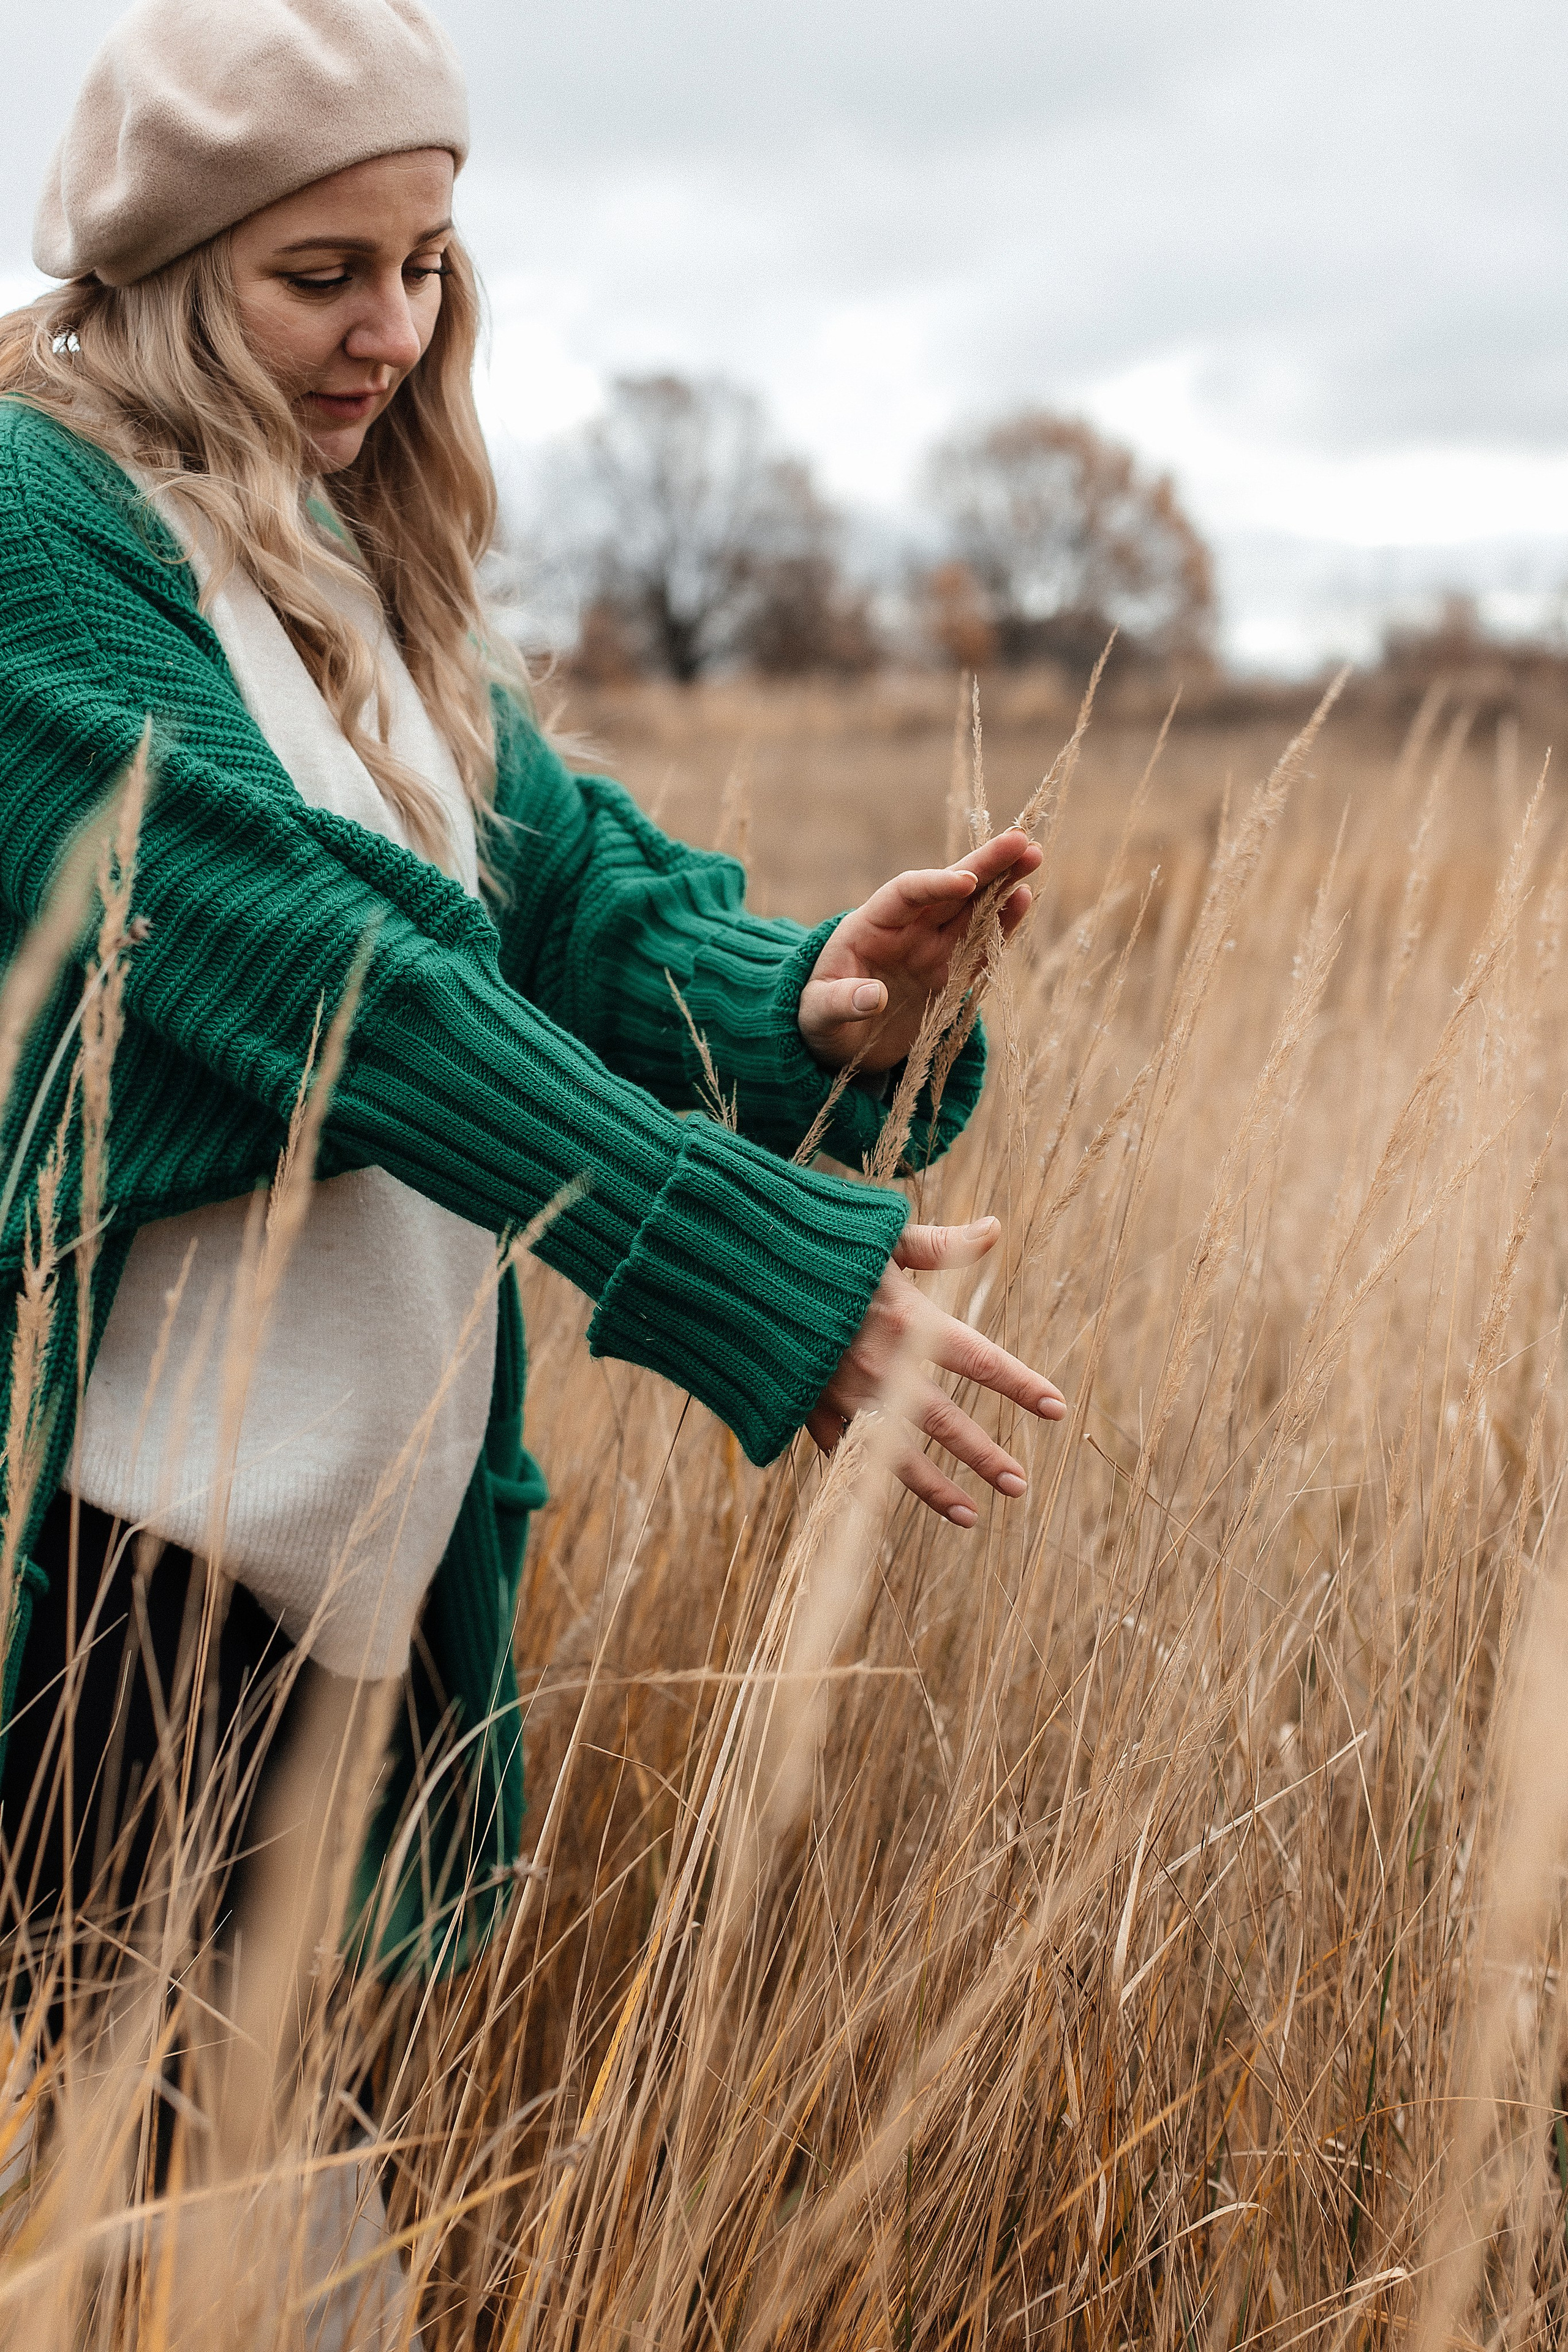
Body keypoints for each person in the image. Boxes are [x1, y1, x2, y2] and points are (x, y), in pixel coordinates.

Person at [0, 0, 1066, 2276]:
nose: (395, 327)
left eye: (429, 262)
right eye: (325, 276)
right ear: (170, 267)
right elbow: (328, 969)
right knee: (229, 2264)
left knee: (189, 2249)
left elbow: (554, 891)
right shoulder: (35, 531)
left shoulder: (342, 566)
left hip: (319, 1604)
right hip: (106, 1606)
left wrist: (816, 1002)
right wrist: (744, 1256)